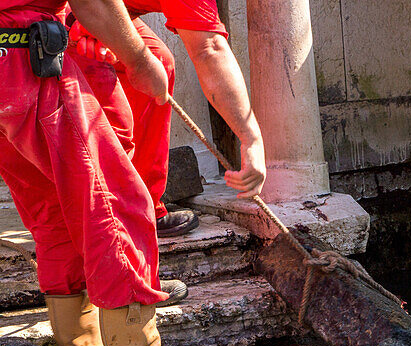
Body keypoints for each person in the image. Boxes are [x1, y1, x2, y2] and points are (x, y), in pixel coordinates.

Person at [0, 0, 217, 346]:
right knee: (115, 200)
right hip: (27, 58)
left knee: (53, 212)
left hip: (7, 67)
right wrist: (139, 58)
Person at [66, 0, 265, 236]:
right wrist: (251, 139)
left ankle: (143, 206)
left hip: (99, 9)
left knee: (158, 63)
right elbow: (209, 50)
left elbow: (206, 46)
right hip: (43, 14)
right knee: (114, 123)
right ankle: (111, 220)